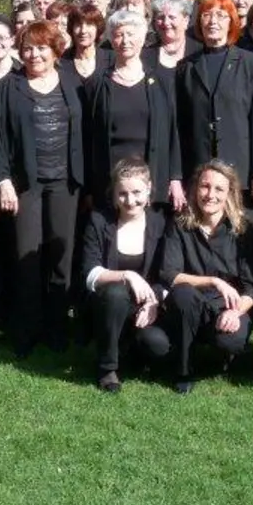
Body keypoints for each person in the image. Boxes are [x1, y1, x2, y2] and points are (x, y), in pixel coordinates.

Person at [0, 20, 85, 357]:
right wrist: (2, 182)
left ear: (55, 50)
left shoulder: (73, 82)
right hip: (25, 184)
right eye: (27, 47)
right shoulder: (7, 88)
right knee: (26, 258)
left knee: (60, 257)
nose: (34, 54)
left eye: (41, 47)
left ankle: (56, 329)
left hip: (65, 183)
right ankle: (26, 331)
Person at [158, 161, 253, 393]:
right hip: (189, 306)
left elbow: (252, 287)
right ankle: (184, 368)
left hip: (227, 307)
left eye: (218, 189)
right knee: (183, 293)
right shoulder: (180, 224)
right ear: (195, 189)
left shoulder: (243, 230)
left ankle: (219, 351)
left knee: (230, 341)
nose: (210, 194)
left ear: (229, 194)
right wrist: (213, 281)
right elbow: (169, 274)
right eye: (205, 186)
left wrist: (235, 312)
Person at [80, 158, 172, 392]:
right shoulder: (99, 220)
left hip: (145, 308)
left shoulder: (161, 223)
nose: (130, 200)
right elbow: (90, 274)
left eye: (136, 192)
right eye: (122, 193)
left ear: (149, 189)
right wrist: (128, 275)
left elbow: (168, 275)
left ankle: (128, 351)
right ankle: (107, 368)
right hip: (106, 305)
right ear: (114, 193)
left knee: (158, 347)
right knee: (116, 292)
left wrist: (154, 301)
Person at [173, 0, 253, 210]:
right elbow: (179, 126)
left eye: (221, 15)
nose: (213, 21)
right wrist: (177, 176)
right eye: (206, 15)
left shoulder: (251, 64)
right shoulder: (186, 67)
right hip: (200, 172)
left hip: (241, 172)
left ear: (232, 22)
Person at [83, 9, 185, 213]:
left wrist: (175, 177)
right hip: (109, 180)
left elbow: (172, 132)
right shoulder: (97, 85)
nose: (125, 40)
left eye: (131, 34)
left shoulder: (161, 83)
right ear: (111, 40)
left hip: (151, 177)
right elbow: (87, 137)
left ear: (142, 39)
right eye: (119, 34)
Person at [143, 0, 200, 87]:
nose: (166, 23)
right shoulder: (145, 56)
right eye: (160, 17)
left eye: (172, 17)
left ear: (186, 21)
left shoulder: (199, 53)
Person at [60, 4, 113, 83]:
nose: (83, 31)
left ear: (98, 28)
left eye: (89, 24)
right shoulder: (62, 61)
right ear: (71, 28)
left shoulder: (111, 59)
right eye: (78, 25)